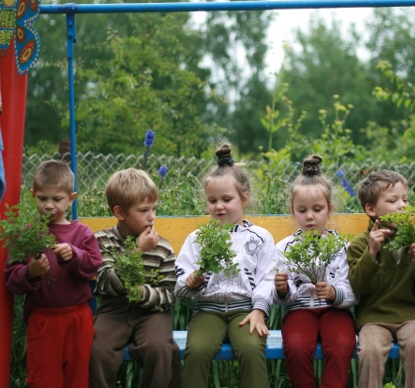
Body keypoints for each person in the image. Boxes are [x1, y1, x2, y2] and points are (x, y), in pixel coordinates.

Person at [175, 143, 278, 388]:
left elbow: (268, 277)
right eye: (212, 200)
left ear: (245, 198)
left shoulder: (260, 238)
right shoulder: (198, 238)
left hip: (246, 311)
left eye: (226, 199)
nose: (219, 206)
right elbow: (180, 274)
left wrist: (259, 310)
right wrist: (192, 282)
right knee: (197, 350)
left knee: (252, 349)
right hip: (207, 310)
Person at [4, 160, 103, 388]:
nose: (49, 205)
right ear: (33, 196)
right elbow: (11, 279)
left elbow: (94, 265)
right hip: (42, 320)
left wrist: (75, 255)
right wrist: (30, 271)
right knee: (43, 380)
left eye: (57, 199)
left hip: (78, 319)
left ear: (71, 198)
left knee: (78, 380)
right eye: (42, 198)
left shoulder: (81, 233)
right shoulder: (26, 234)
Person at [89, 168, 179, 388]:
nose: (152, 216)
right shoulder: (102, 241)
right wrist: (137, 251)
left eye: (154, 208)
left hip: (153, 313)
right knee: (97, 351)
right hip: (114, 310)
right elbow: (105, 282)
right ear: (120, 213)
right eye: (143, 210)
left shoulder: (163, 248)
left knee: (160, 349)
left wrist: (141, 293)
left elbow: (169, 294)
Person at [274, 154, 358, 388]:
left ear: (329, 210)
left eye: (317, 209)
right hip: (299, 310)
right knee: (296, 347)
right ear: (293, 211)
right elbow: (281, 298)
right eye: (302, 210)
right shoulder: (284, 248)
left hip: (335, 310)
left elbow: (352, 291)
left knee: (342, 344)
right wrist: (283, 290)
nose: (309, 216)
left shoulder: (341, 246)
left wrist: (334, 294)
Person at [347, 170, 415, 388]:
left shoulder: (414, 240)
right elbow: (360, 286)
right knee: (370, 351)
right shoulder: (361, 244)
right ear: (371, 209)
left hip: (411, 316)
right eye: (393, 200)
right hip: (373, 317)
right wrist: (371, 253)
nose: (402, 206)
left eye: (405, 199)